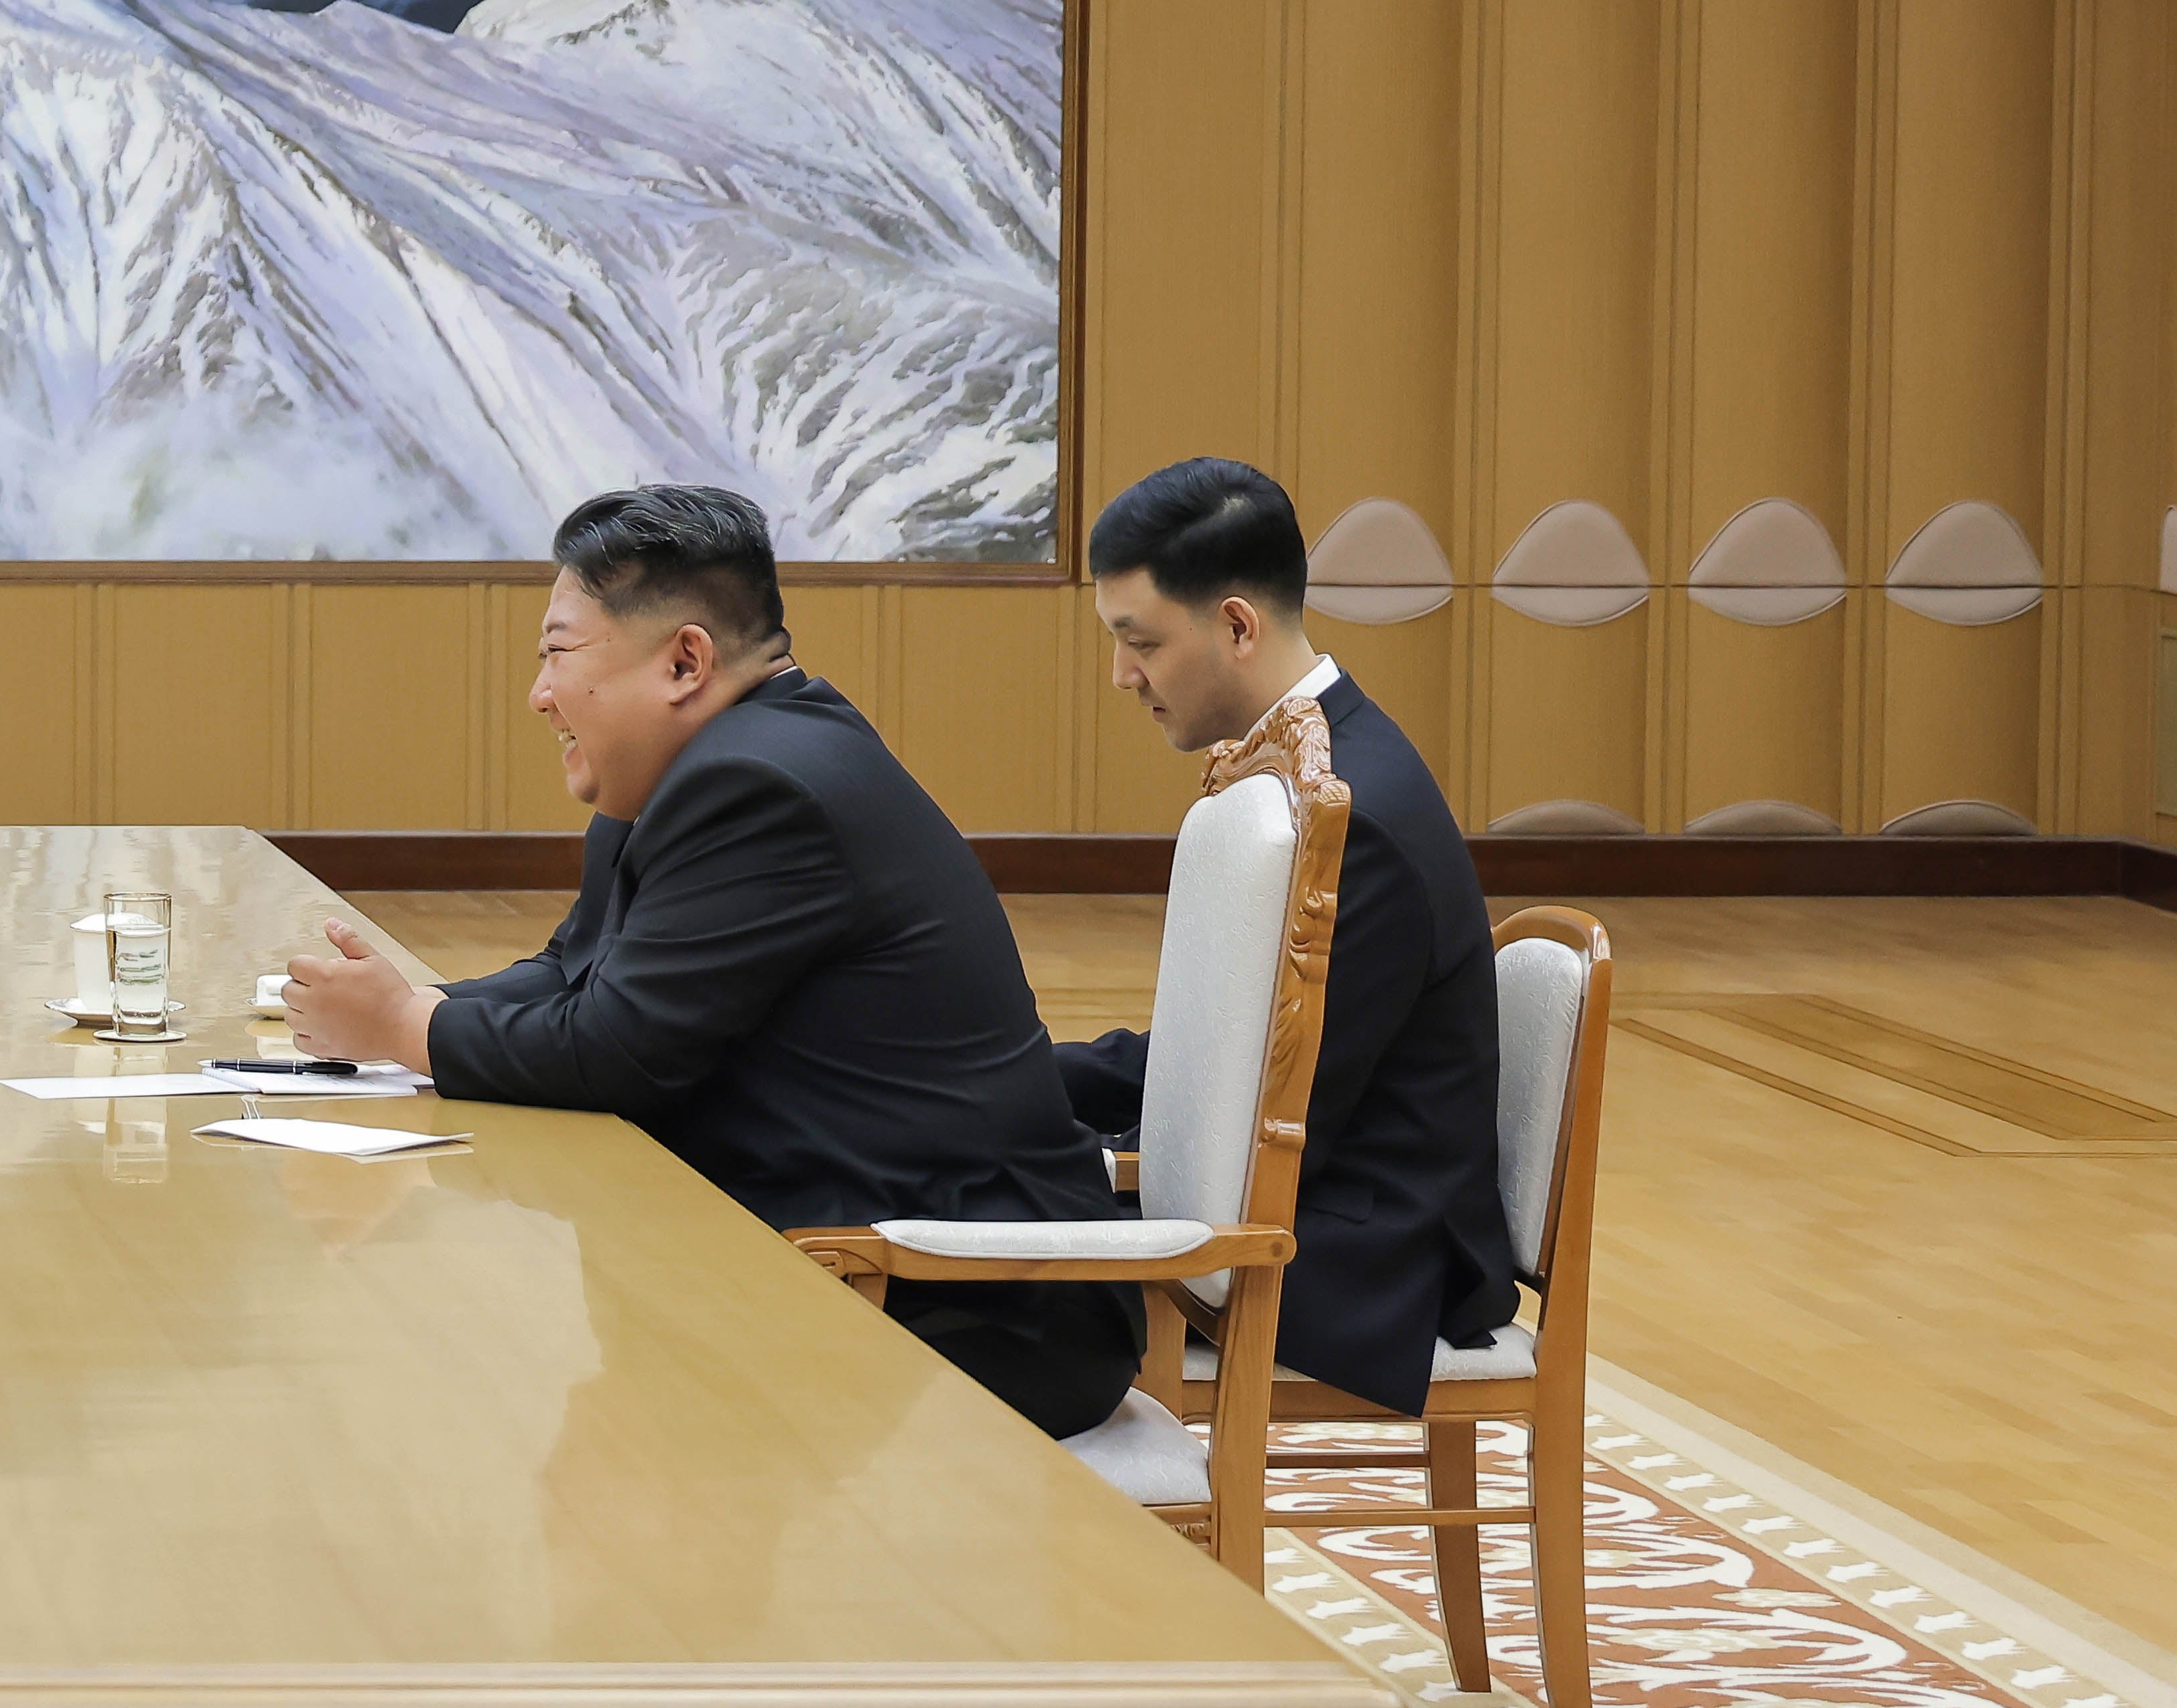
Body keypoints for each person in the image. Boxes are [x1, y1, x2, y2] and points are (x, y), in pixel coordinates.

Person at [282, 483, 1137, 1444]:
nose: (539, 693)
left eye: (557, 652)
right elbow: (572, 971)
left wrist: (404, 1028)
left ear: (684, 659)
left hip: (972, 1293)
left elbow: (613, 1050)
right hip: (845, 1253)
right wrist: (404, 1009)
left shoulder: (757, 783)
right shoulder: (700, 768)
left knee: (470, 1367)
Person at [1068, 457, 1512, 1418]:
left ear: (1234, 624)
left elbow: (1271, 1107)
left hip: (1359, 1257)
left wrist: (1065, 1153)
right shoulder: (1310, 767)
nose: (1121, 675)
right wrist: (1013, 1073)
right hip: (1299, 1196)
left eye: (1137, 641)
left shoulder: (1359, 817)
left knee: (973, 1274)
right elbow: (1216, 1065)